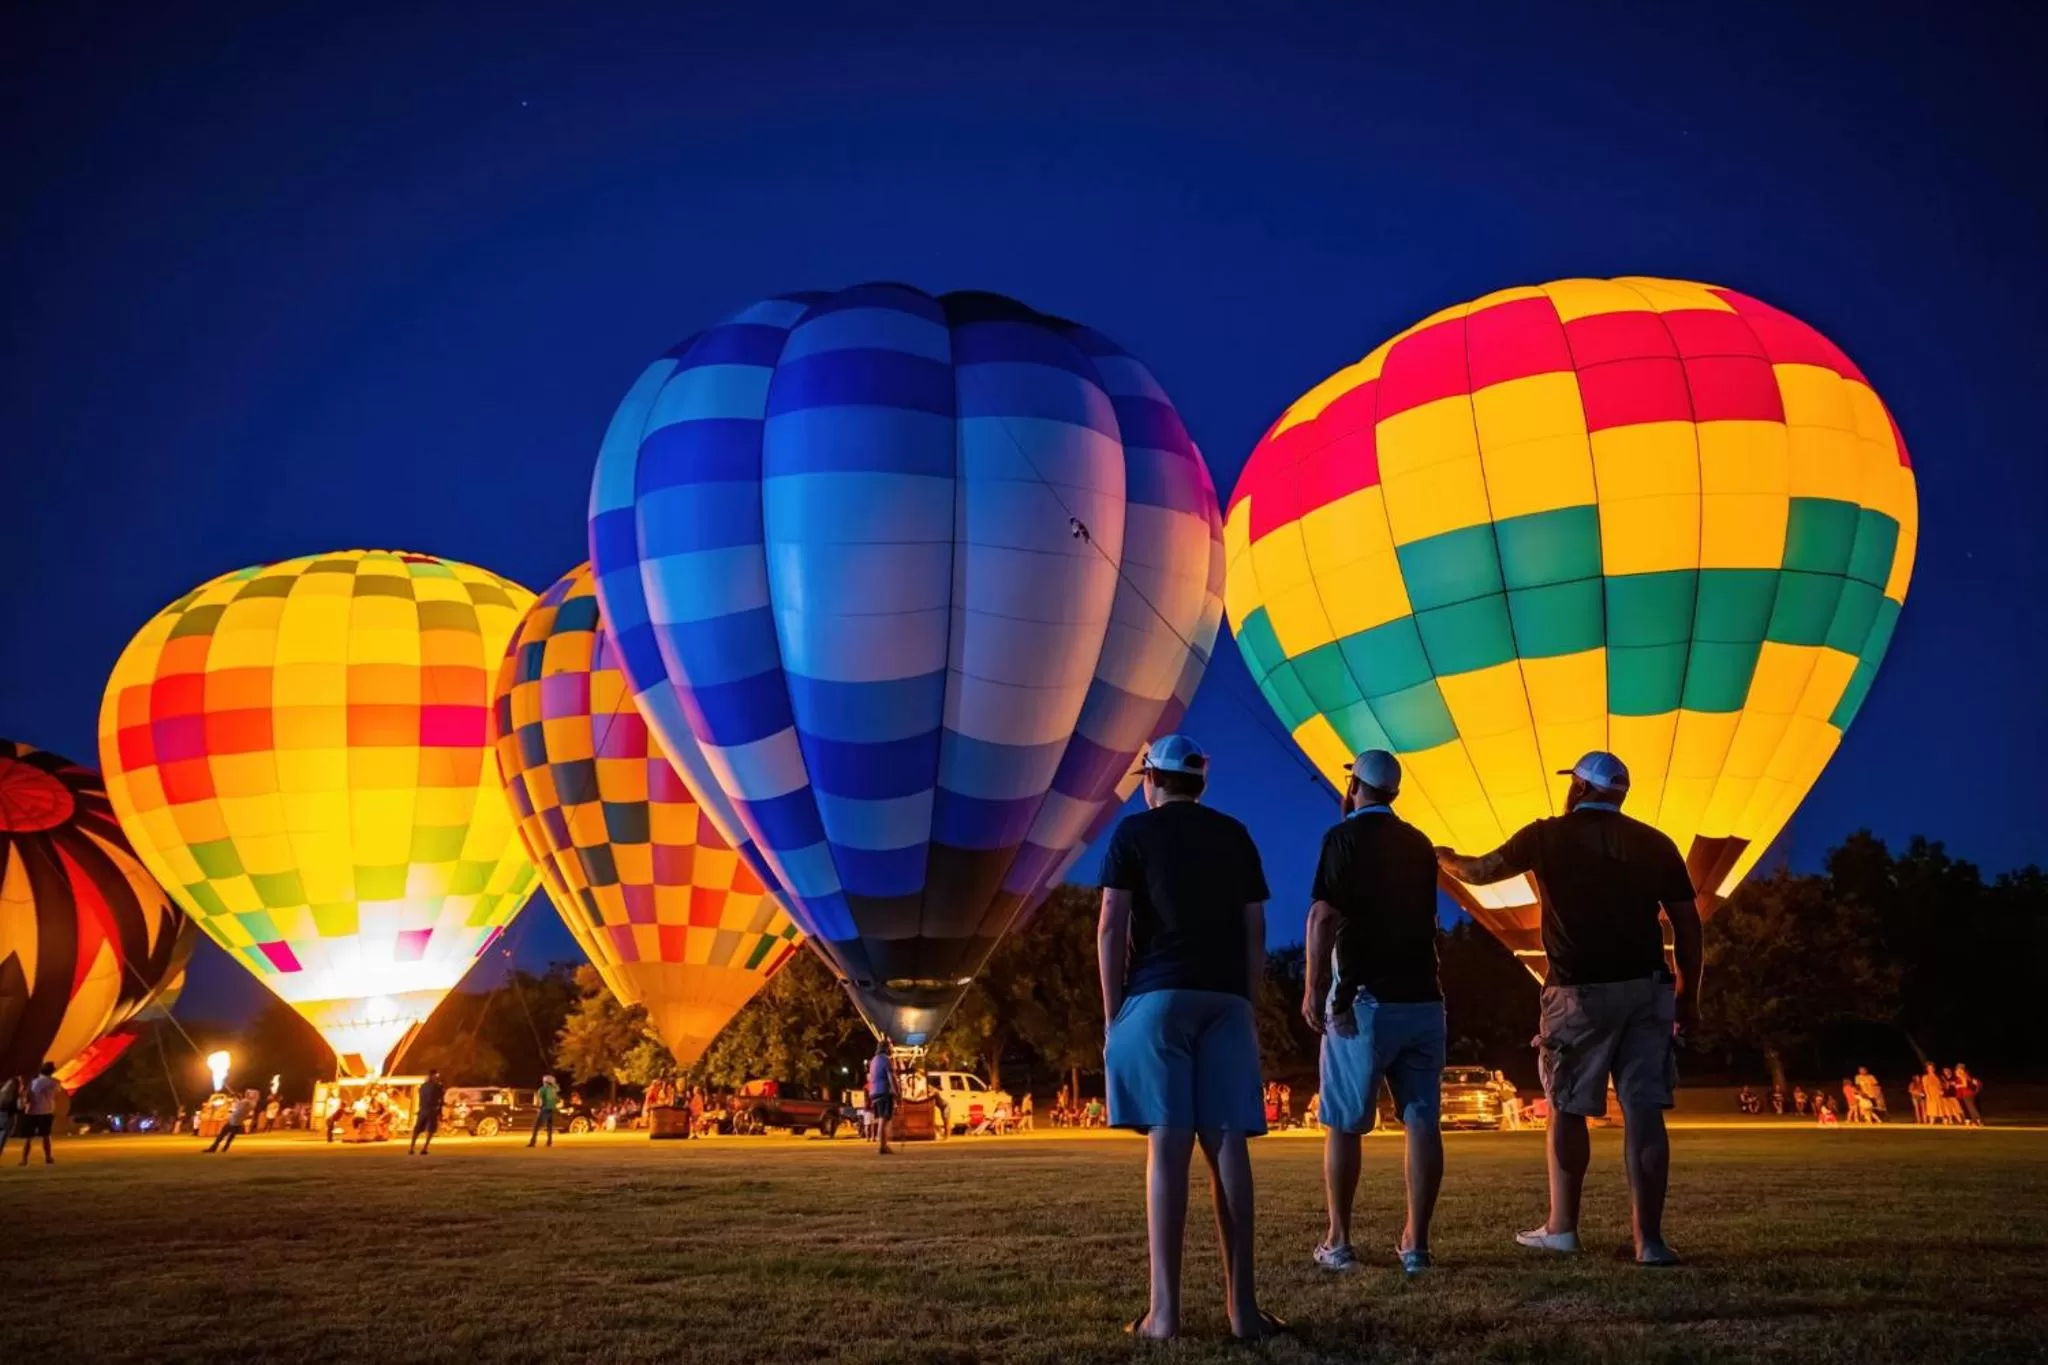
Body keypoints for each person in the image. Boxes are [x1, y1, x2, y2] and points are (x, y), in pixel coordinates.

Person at [1437, 751, 1702, 1268]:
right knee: (1644, 1112)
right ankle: (1649, 1242)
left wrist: (1442, 857)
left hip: (1577, 992)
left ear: (1578, 788)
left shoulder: (1546, 835)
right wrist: (1688, 996)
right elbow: (1689, 926)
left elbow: (1481, 870)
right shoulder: (1656, 843)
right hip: (1648, 989)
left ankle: (1562, 1228)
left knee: (1566, 1106)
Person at [1099, 734, 1277, 1341]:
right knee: (1229, 1143)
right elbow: (1255, 927)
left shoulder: (1132, 834)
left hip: (1157, 994)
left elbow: (1110, 925)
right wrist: (1247, 1002)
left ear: (1152, 779)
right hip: (1226, 997)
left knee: (1168, 1145)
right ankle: (1243, 1311)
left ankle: (1164, 1315)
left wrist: (1113, 1011)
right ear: (1200, 781)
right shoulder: (1235, 834)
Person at [1301, 749, 1445, 1277]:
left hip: (1362, 1000)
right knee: (1422, 1119)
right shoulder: (1419, 844)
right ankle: (1417, 1246)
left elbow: (1322, 915)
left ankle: (1339, 1241)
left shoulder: (1343, 838)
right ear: (1396, 793)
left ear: (1353, 787)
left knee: (1343, 1122)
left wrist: (1314, 987)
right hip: (1424, 999)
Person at [17, 1062, 62, 1166]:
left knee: (28, 1138)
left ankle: (24, 1159)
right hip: (47, 1111)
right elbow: (57, 1093)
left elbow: (30, 1095)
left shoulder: (36, 1082)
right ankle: (48, 1157)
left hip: (33, 1112)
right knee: (46, 1136)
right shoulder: (55, 1082)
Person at [868, 1039, 896, 1156]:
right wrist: (896, 1091)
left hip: (875, 1091)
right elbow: (891, 1077)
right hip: (884, 1091)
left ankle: (883, 1145)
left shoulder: (873, 1060)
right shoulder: (886, 1060)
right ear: (886, 1048)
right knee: (884, 1119)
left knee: (882, 1118)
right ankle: (882, 1146)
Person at [206, 1089, 256, 1154]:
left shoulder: (245, 1102)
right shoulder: (251, 1104)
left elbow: (239, 1105)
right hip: (238, 1122)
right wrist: (236, 1097)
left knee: (222, 1134)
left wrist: (236, 1097)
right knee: (231, 1135)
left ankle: (214, 1147)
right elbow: (239, 1105)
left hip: (234, 1120)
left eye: (248, 1093)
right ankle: (225, 1145)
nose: (246, 1094)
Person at [410, 1070, 446, 1156]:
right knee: (430, 1130)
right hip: (431, 1110)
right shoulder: (437, 1086)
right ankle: (424, 1148)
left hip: (423, 1109)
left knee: (417, 1129)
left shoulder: (423, 1086)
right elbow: (441, 1100)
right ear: (434, 1076)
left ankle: (412, 1148)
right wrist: (440, 1112)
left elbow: (421, 1099)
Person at [528, 1074, 561, 1147]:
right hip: (552, 1110)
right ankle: (549, 1142)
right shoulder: (553, 1090)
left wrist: (539, 1107)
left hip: (544, 1109)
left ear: (545, 1081)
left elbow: (540, 1100)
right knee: (549, 1127)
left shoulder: (542, 1089)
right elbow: (558, 1100)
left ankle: (533, 1142)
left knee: (536, 1126)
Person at [0, 1074, 21, 1153]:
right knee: (2, 1139)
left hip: (1, 1115)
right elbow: (19, 1107)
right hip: (8, 1117)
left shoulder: (2, 1093)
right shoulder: (16, 1096)